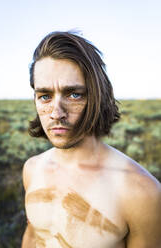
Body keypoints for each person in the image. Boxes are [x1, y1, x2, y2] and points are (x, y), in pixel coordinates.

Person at [21, 31, 161, 248]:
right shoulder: (32, 169)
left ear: (97, 97)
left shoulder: (141, 193)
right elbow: (33, 236)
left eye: (74, 94)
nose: (56, 113)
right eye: (45, 96)